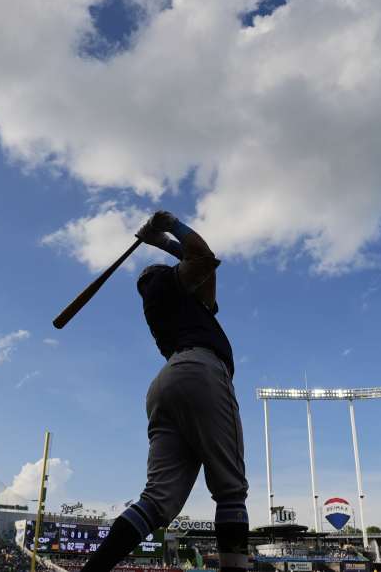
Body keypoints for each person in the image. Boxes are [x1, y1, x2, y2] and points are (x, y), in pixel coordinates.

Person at [80, 211, 249, 572]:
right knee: (230, 490)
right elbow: (201, 258)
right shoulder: (164, 286)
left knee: (157, 500)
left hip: (165, 385)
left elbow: (206, 270)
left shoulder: (174, 303)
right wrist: (169, 225)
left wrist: (161, 244)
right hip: (201, 372)